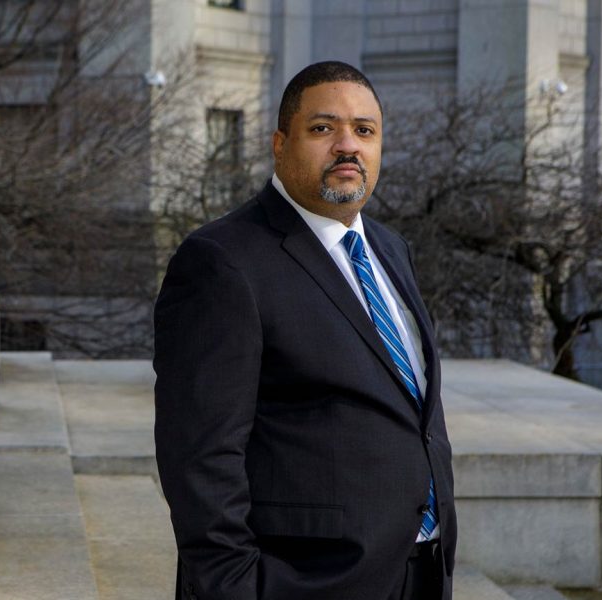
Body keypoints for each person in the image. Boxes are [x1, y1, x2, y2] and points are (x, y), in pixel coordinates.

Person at [153, 61, 457, 600]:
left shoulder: (391, 250)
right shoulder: (222, 261)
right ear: (279, 143)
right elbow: (200, 456)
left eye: (364, 130)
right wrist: (237, 587)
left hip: (417, 571)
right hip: (303, 579)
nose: (347, 145)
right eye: (323, 128)